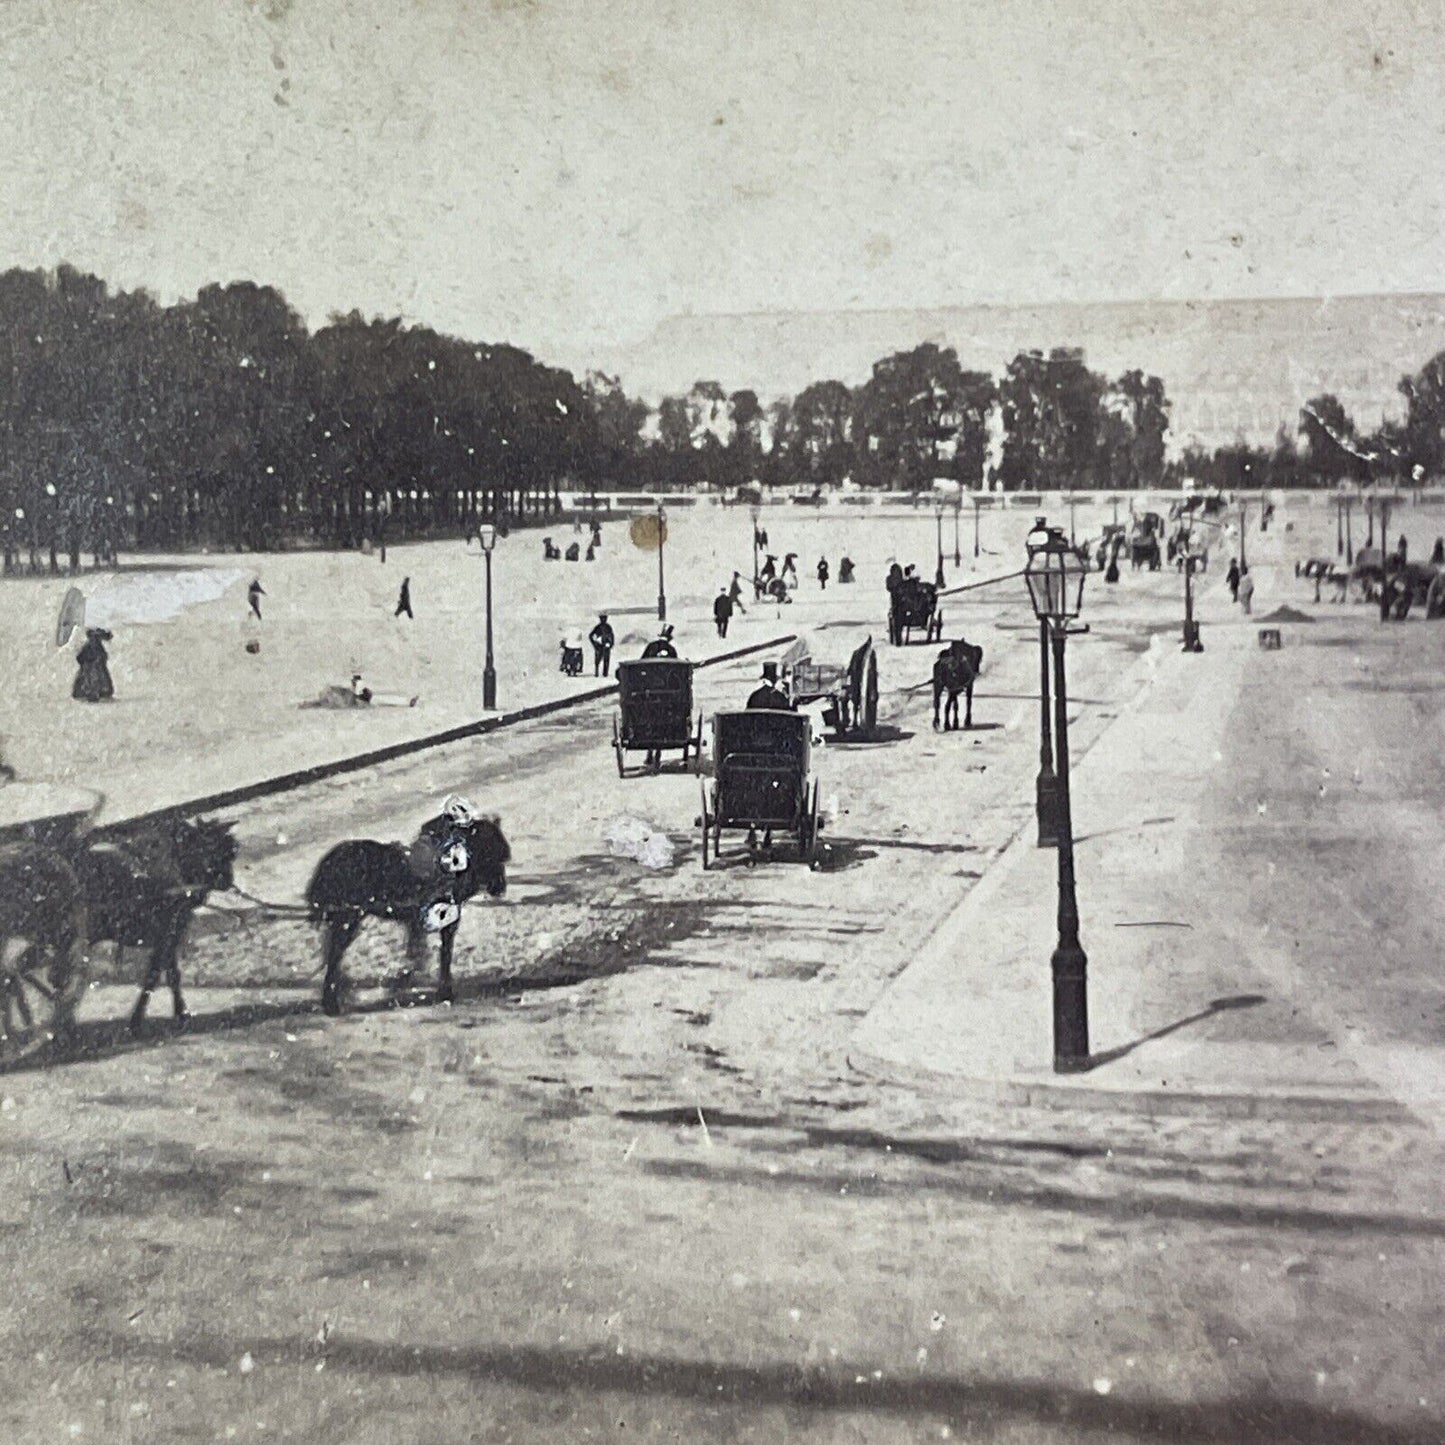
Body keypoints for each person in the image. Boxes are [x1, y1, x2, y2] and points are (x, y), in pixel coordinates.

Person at [73, 628, 114, 702]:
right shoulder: (90, 646)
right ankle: (91, 691)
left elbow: (80, 657)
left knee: (94, 679)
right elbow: (80, 657)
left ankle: (95, 691)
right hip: (91, 669)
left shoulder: (94, 646)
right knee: (91, 679)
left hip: (94, 669)